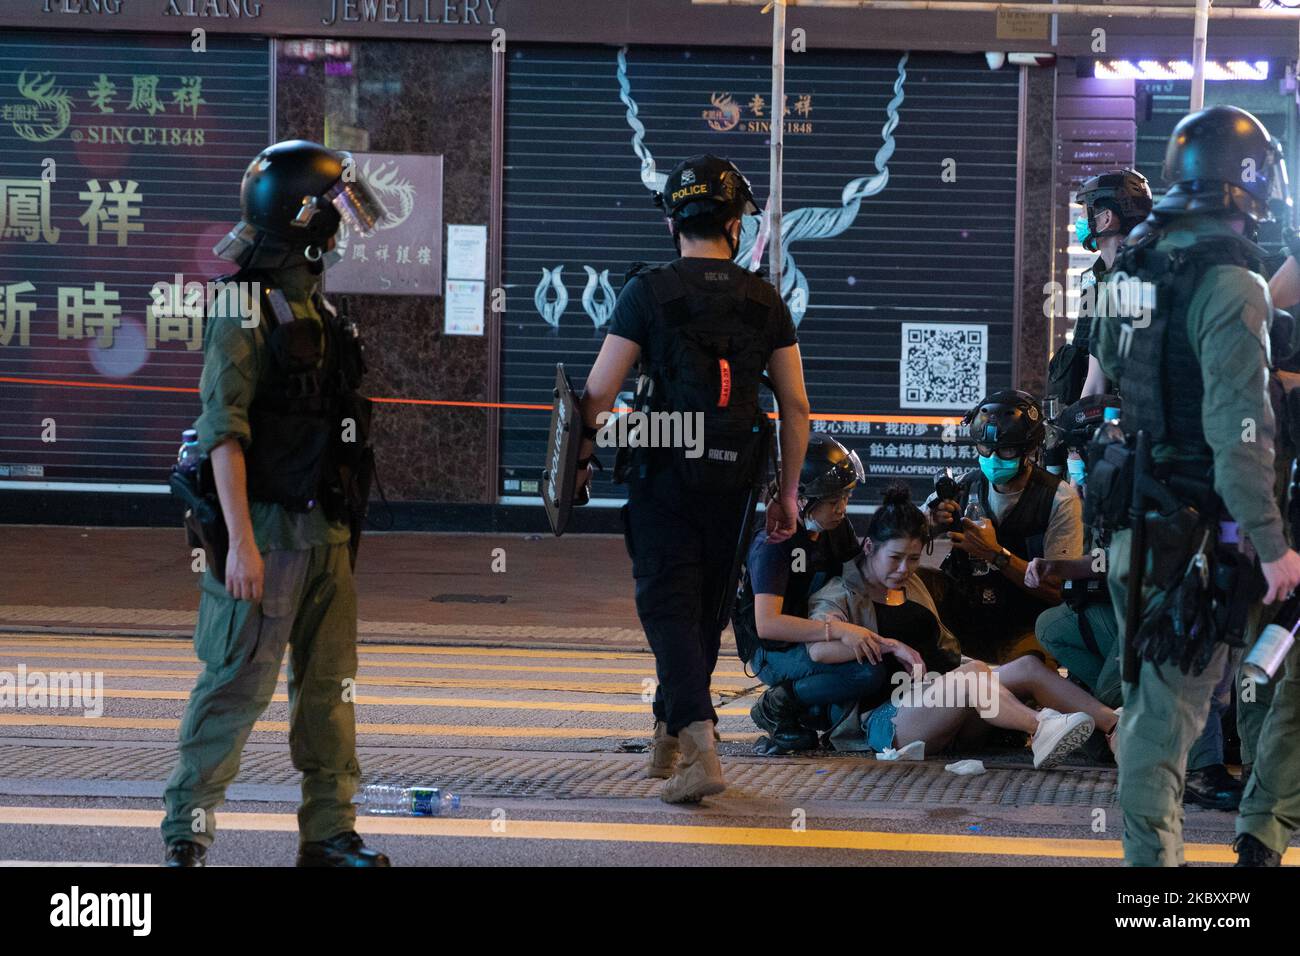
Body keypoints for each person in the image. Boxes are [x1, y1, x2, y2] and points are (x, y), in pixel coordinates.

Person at [161, 140, 390, 867]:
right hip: (264, 529)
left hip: (324, 532)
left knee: (330, 694)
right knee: (233, 691)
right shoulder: (240, 303)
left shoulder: (311, 303)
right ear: (303, 218)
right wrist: (242, 546)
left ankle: (329, 833)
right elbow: (222, 434)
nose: (342, 228)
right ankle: (187, 838)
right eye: (332, 213)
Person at [1092, 105, 1300, 867]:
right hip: (1199, 529)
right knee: (1165, 717)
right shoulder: (1232, 280)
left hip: (1133, 514)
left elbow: (1110, 378)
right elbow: (1239, 427)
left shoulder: (1133, 262)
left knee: (1152, 702)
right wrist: (1272, 544)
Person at [575, 154, 811, 803]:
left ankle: (700, 743)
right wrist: (786, 493)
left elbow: (596, 397)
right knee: (705, 608)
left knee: (668, 604)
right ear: (736, 224)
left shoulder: (648, 291)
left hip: (664, 475)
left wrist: (581, 462)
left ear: (675, 221)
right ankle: (667, 735)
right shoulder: (765, 298)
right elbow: (795, 408)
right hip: (735, 480)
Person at [809, 484, 1112, 768]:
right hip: (888, 719)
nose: (904, 568)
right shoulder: (840, 593)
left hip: (943, 696)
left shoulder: (910, 583)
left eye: (913, 558)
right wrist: (888, 644)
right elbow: (818, 651)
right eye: (895, 558)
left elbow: (947, 654)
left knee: (1027, 667)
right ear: (869, 547)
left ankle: (1115, 725)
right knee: (972, 675)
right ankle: (1042, 727)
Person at [737, 433, 894, 753]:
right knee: (865, 672)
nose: (842, 509)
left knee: (849, 692)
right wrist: (838, 630)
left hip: (818, 637)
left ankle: (807, 707)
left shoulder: (837, 528)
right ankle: (776, 705)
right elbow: (768, 625)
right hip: (774, 649)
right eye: (834, 501)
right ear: (804, 501)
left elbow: (860, 576)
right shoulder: (773, 543)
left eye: (846, 499)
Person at [926, 390, 1085, 664]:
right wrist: (928, 526)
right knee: (917, 580)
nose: (994, 457)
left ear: (1030, 449)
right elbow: (897, 543)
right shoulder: (962, 487)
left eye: (1007, 450)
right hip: (968, 607)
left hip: (1026, 621)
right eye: (986, 449)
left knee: (1024, 674)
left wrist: (996, 555)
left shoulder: (1058, 499)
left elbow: (1058, 592)